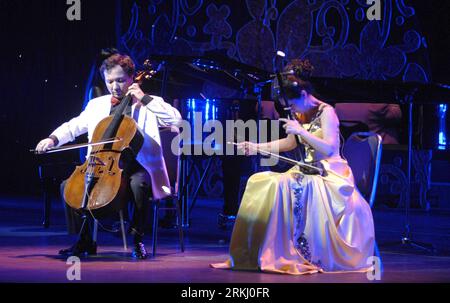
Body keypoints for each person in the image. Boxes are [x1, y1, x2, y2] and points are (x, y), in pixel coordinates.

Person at [211, 59, 375, 274]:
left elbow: (329, 148)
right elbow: (290, 143)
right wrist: (256, 146)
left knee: (281, 185)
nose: (293, 110)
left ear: (305, 95)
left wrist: (303, 132)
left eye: (294, 104)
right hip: (308, 170)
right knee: (260, 180)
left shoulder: (327, 113)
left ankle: (291, 252)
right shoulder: (299, 113)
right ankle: (262, 252)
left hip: (330, 173)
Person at [35, 53, 181, 259]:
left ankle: (138, 239)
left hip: (137, 164)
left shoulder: (150, 103)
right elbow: (74, 126)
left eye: (120, 80)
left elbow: (175, 119)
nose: (115, 86)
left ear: (132, 78)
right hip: (104, 163)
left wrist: (143, 98)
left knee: (140, 185)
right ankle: (85, 239)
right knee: (68, 186)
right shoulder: (97, 104)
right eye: (110, 81)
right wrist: (52, 139)